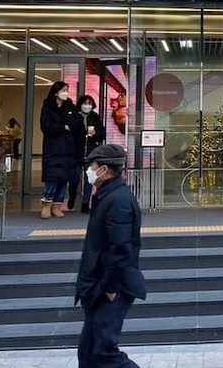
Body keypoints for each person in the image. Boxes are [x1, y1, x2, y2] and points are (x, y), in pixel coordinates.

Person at [75, 144, 147, 368]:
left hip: (111, 288)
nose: (89, 170)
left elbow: (121, 248)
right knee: (88, 352)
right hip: (98, 286)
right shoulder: (107, 196)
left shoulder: (118, 200)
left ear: (104, 170)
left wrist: (110, 287)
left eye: (92, 166)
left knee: (102, 353)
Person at [40, 81, 81, 219]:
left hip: (69, 149)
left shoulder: (70, 107)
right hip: (53, 148)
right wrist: (63, 127)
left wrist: (67, 125)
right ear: (56, 92)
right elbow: (46, 126)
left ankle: (57, 205)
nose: (66, 93)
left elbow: (76, 123)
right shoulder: (48, 108)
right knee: (52, 177)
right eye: (63, 90)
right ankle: (46, 204)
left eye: (67, 90)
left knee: (64, 178)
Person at [70, 95, 106, 214]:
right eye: (85, 103)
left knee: (89, 179)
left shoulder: (95, 117)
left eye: (89, 103)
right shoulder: (75, 116)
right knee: (74, 178)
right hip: (76, 151)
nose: (87, 106)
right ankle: (72, 196)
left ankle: (85, 204)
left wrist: (96, 133)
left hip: (91, 152)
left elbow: (102, 134)